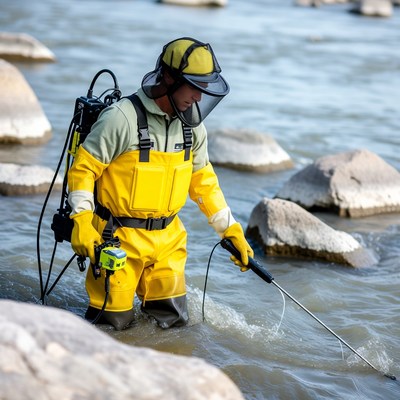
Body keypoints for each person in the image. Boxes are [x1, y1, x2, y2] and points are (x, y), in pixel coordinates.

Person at [68, 37, 254, 331]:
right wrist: (80, 219)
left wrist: (230, 229)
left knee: (174, 331)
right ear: (169, 78)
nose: (199, 98)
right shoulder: (121, 119)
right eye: (195, 87)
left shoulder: (193, 128)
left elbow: (203, 182)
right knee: (110, 331)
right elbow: (83, 169)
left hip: (169, 242)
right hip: (116, 240)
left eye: (205, 89)